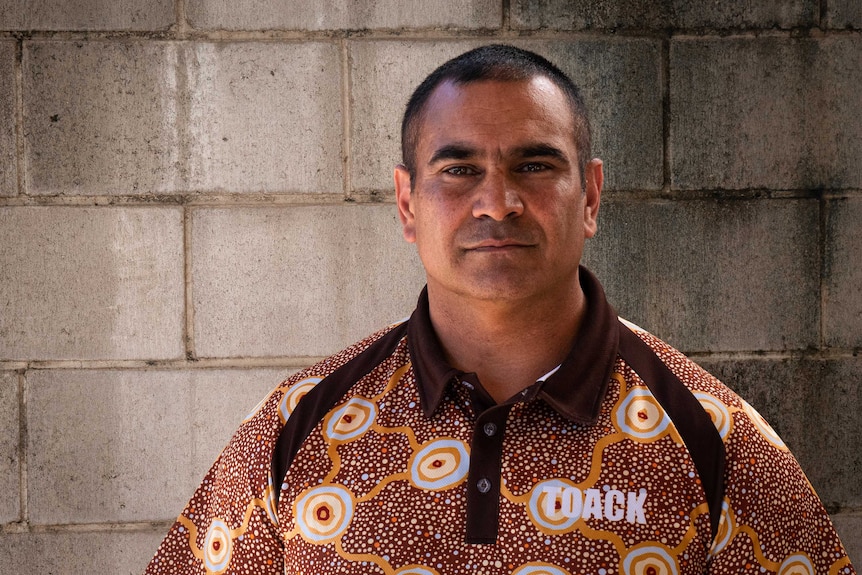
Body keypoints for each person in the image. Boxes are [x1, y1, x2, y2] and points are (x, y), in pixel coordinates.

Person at [145, 45, 855, 575]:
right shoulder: (296, 428)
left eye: (534, 165)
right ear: (406, 202)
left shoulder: (715, 438)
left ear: (592, 197)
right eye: (459, 170)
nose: (497, 201)